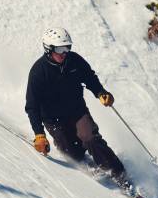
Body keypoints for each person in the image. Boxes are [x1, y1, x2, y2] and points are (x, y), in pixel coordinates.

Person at [25, 27, 125, 180]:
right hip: (53, 119)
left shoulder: (74, 60)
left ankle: (119, 173)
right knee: (73, 153)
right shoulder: (39, 72)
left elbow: (89, 77)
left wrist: (100, 92)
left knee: (91, 138)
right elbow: (32, 106)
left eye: (67, 47)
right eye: (60, 49)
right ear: (48, 49)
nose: (64, 53)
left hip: (76, 111)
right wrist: (39, 134)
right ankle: (83, 158)